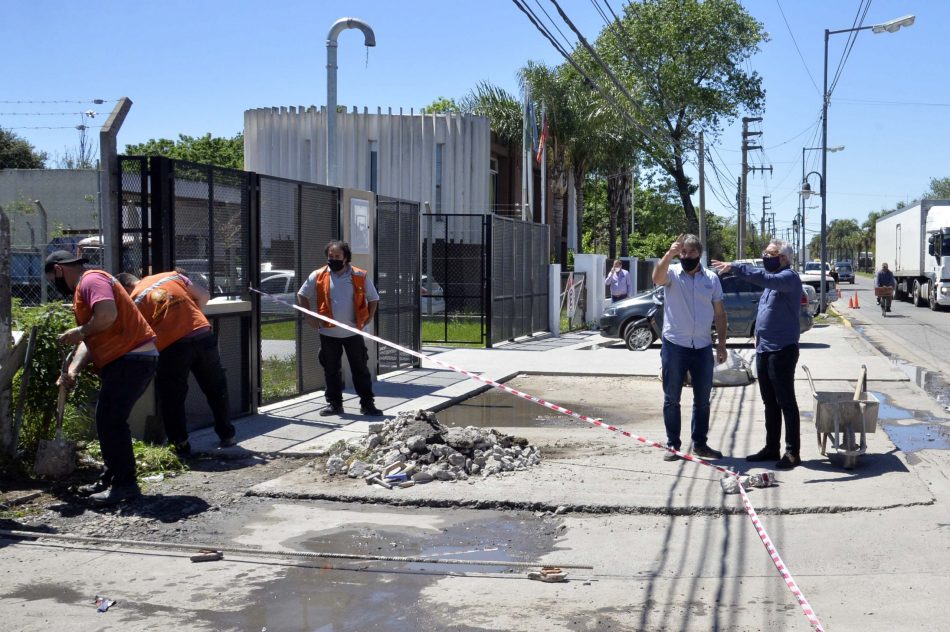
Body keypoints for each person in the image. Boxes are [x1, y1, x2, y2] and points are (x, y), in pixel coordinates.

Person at [45, 251, 158, 506]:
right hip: (129, 359)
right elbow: (90, 339)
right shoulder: (84, 289)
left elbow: (106, 316)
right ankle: (110, 479)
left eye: (52, 278)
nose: (53, 284)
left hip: (132, 358)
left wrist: (80, 330)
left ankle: (125, 485)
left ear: (59, 269)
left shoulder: (91, 280)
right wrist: (72, 370)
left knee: (111, 421)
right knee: (107, 420)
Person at [117, 270, 236, 456]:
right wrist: (194, 319)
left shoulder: (135, 300)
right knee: (216, 388)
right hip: (203, 334)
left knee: (172, 398)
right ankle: (227, 435)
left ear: (124, 288)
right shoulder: (171, 276)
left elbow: (139, 336)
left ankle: (180, 446)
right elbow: (204, 295)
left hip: (172, 347)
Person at [712, 239, 804, 470]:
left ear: (783, 258)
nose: (765, 256)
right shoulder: (772, 282)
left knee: (786, 402)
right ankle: (771, 447)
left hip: (782, 350)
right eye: (765, 252)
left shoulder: (788, 277)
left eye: (770, 253)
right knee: (769, 403)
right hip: (764, 349)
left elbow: (763, 278)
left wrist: (735, 267)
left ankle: (792, 452)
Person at [652, 234, 727, 462]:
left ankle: (700, 444)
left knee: (702, 400)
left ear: (699, 255)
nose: (686, 257)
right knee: (671, 398)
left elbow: (720, 314)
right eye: (683, 253)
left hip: (703, 347)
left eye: (690, 253)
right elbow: (657, 278)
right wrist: (670, 254)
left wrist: (721, 345)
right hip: (675, 345)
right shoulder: (673, 274)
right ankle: (673, 445)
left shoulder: (711, 279)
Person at [297, 240, 384, 417]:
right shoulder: (319, 275)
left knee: (360, 369)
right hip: (328, 332)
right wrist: (308, 315)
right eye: (330, 256)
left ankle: (367, 404)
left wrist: (369, 316)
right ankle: (334, 404)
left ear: (345, 258)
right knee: (331, 370)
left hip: (353, 332)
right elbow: (302, 295)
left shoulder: (359, 275)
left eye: (337, 256)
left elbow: (373, 298)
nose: (333, 259)